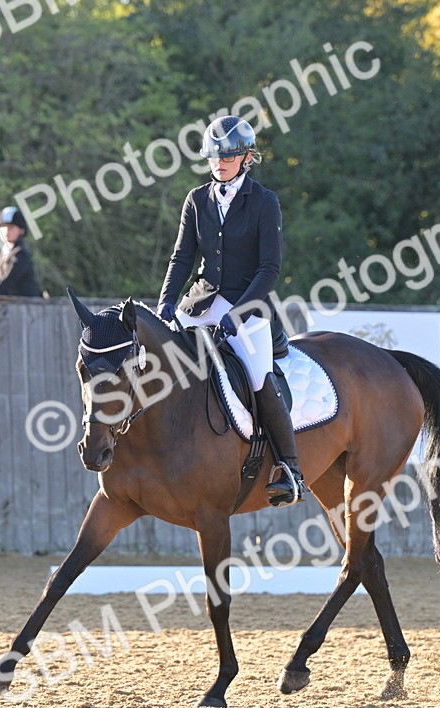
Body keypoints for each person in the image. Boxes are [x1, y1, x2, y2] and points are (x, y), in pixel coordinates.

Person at [156, 115, 308, 507]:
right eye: (214, 157)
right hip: (201, 301)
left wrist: (237, 314)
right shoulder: (196, 199)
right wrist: (166, 301)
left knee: (260, 378)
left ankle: (289, 469)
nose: (219, 163)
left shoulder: (263, 202)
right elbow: (181, 257)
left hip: (249, 305)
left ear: (246, 157)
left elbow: (268, 270)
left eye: (228, 156)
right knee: (157, 359)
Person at [0, 206, 43, 297]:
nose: (6, 231)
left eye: (11, 227)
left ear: (21, 231)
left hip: (26, 304)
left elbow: (9, 280)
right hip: (11, 303)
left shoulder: (21, 254)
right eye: (3, 227)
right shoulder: (2, 252)